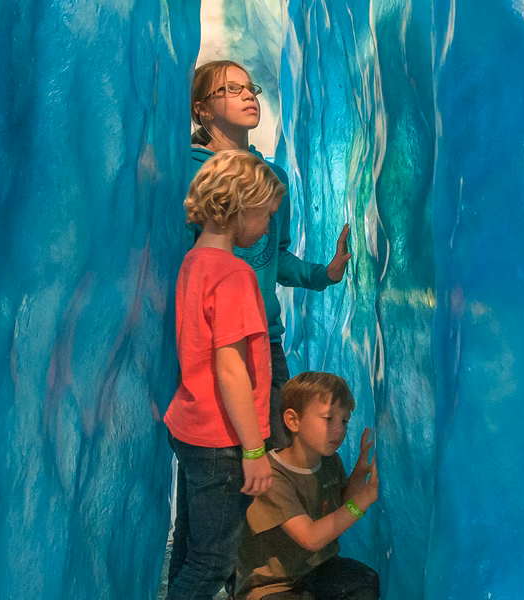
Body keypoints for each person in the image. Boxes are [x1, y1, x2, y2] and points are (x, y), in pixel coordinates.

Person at [189, 60, 352, 450]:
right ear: (202, 109)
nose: (248, 94)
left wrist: (322, 274)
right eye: (231, 89)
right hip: (210, 345)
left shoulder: (272, 176)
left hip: (264, 339)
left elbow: (274, 256)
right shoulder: (190, 170)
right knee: (219, 458)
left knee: (274, 454)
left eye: (250, 88)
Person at [164, 149, 286, 600]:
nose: (268, 228)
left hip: (191, 427)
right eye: (267, 214)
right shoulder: (234, 274)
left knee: (191, 548)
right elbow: (231, 367)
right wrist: (254, 449)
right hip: (222, 439)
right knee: (213, 562)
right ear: (241, 205)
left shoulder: (194, 262)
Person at [235, 371, 380, 600]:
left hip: (317, 569)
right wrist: (366, 498)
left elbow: (343, 506)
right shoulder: (272, 474)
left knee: (364, 583)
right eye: (328, 418)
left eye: (344, 420)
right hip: (273, 586)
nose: (340, 429)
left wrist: (359, 475)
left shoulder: (330, 461)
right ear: (293, 421)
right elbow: (310, 538)